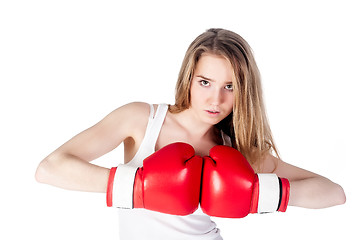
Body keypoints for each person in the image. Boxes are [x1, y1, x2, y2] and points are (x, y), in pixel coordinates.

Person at [35, 28, 346, 239]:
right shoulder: (143, 119)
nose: (215, 100)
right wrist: (139, 188)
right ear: (189, 79)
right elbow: (50, 169)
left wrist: (259, 195)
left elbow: (333, 192)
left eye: (230, 87)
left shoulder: (235, 149)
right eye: (205, 82)